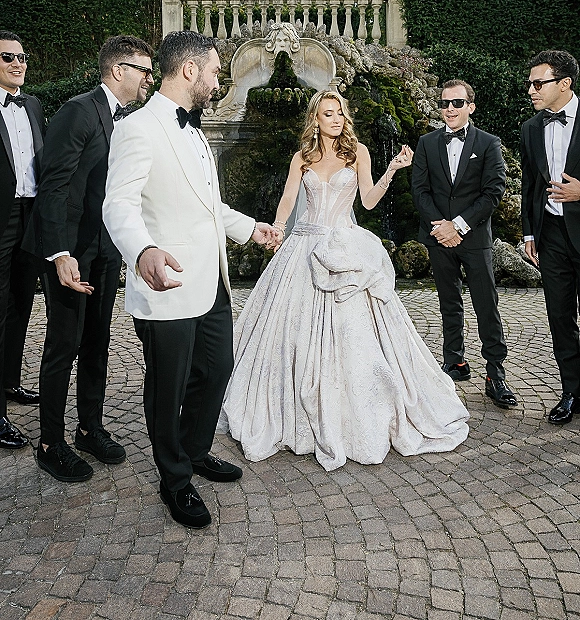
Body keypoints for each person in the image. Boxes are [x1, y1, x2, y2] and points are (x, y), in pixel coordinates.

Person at [219, 90, 469, 472]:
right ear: (315, 120)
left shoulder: (359, 152)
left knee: (356, 335)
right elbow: (287, 198)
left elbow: (367, 201)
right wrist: (278, 229)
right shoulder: (302, 157)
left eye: (339, 113)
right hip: (302, 246)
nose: (336, 120)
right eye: (327, 114)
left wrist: (392, 170)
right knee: (288, 334)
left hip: (343, 248)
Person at [102, 30, 279, 529]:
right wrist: (142, 250)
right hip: (167, 287)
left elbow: (208, 207)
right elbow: (118, 204)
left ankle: (196, 450)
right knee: (168, 387)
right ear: (189, 71)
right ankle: (175, 480)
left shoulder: (196, 131)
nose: (218, 78)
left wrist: (250, 228)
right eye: (215, 70)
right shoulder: (137, 128)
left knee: (216, 369)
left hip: (212, 282)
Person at [23, 35, 154, 481]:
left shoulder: (132, 119)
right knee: (64, 344)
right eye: (144, 70)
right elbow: (53, 186)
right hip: (69, 249)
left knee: (98, 341)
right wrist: (60, 253)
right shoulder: (78, 111)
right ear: (118, 70)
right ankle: (49, 442)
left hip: (105, 248)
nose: (149, 80)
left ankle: (89, 428)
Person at [411, 79, 517, 409]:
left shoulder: (488, 143)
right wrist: (440, 227)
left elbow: (493, 191)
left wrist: (457, 225)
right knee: (448, 303)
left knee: (486, 305)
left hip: (473, 238)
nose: (450, 109)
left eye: (457, 103)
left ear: (470, 106)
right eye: (444, 104)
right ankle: (455, 363)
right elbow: (420, 191)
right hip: (438, 238)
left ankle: (495, 374)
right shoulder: (426, 143)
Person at [521, 49, 580, 424]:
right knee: (560, 318)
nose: (531, 90)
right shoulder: (530, 128)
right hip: (552, 236)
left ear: (564, 84)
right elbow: (529, 185)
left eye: (538, 83)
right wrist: (529, 232)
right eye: (530, 83)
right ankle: (571, 393)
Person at [0, 31, 44, 451]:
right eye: (8, 57)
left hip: (30, 216)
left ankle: (10, 382)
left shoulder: (31, 104)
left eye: (22, 56)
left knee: (20, 306)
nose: (19, 64)